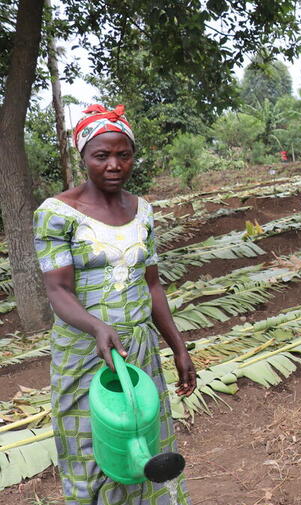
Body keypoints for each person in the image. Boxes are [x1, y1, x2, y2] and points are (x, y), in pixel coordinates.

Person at [33, 104, 196, 504]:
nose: (113, 165)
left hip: (138, 352)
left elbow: (152, 285)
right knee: (92, 452)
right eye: (101, 155)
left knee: (141, 445)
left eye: (123, 154)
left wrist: (178, 346)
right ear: (83, 157)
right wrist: (97, 327)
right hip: (87, 354)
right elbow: (58, 291)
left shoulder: (142, 211)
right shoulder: (57, 214)